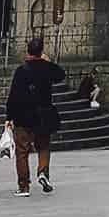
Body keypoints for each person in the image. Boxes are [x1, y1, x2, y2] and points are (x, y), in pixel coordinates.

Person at [5, 35, 66, 197]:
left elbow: (14, 95)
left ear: (28, 51)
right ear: (41, 51)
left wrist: (9, 117)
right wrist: (48, 61)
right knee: (44, 147)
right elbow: (61, 75)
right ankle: (43, 173)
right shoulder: (47, 68)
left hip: (23, 116)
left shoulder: (21, 71)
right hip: (44, 115)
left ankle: (24, 186)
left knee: (22, 151)